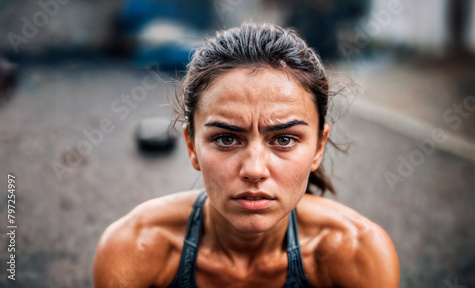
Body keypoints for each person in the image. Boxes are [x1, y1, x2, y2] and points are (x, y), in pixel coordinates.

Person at [93, 23, 399, 288]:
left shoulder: (360, 254)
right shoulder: (133, 248)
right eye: (226, 139)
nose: (254, 170)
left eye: (284, 139)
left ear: (318, 147)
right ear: (191, 146)